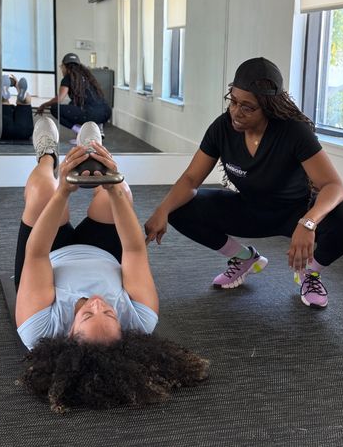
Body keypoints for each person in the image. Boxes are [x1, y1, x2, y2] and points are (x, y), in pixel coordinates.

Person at [15, 119, 209, 413]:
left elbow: (37, 253)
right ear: (124, 332)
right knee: (121, 191)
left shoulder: (39, 329)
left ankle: (46, 155)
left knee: (44, 187)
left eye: (87, 316)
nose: (97, 302)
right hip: (101, 252)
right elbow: (133, 249)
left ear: (68, 335)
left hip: (49, 255)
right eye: (109, 312)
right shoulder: (140, 320)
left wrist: (63, 192)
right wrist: (115, 187)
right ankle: (93, 153)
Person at [145, 57, 343, 309]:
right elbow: (191, 179)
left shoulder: (294, 131)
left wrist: (309, 222)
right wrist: (161, 210)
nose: (236, 112)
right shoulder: (222, 128)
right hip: (248, 210)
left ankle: (309, 273)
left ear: (269, 107)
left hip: (294, 213)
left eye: (248, 107)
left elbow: (333, 186)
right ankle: (244, 258)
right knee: (178, 207)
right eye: (234, 101)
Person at [36, 53, 111, 139]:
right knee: (72, 104)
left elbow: (59, 99)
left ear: (64, 66)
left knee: (55, 108)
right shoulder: (88, 77)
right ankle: (98, 127)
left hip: (90, 113)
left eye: (62, 67)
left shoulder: (68, 78)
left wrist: (44, 105)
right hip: (105, 113)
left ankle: (81, 132)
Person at [1, 74, 34, 140]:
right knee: (24, 103)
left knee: (4, 102)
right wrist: (17, 85)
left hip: (4, 131)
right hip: (24, 131)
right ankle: (23, 95)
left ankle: (3, 92)